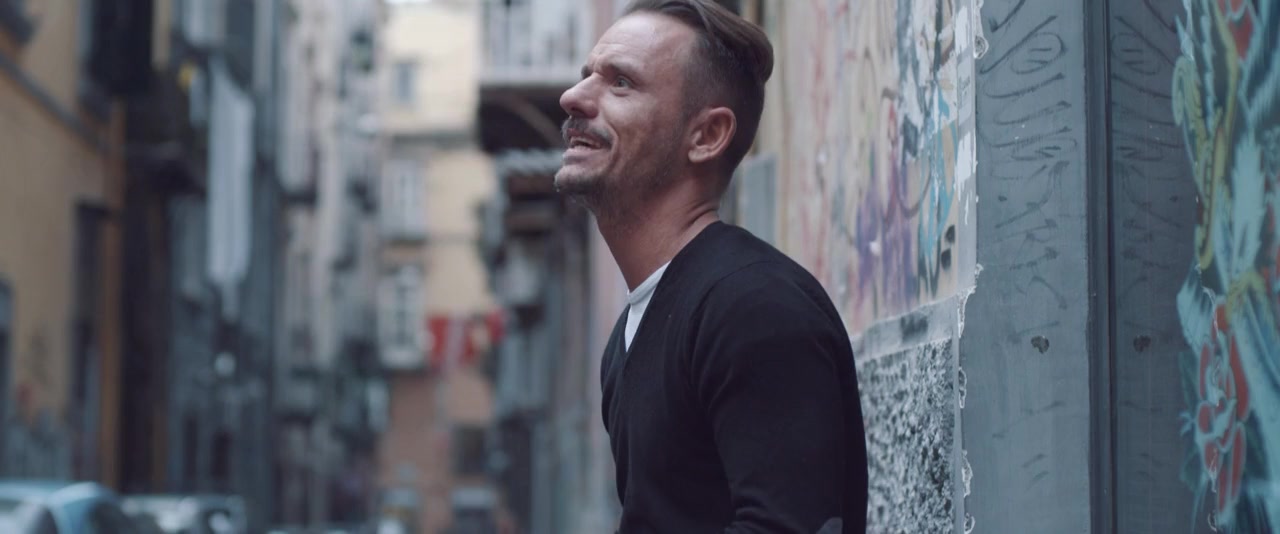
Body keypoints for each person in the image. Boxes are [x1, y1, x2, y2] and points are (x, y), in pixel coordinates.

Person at [555, 0, 869, 532]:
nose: (573, 96)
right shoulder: (634, 331)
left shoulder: (754, 309)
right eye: (588, 75)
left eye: (621, 83)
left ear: (706, 136)